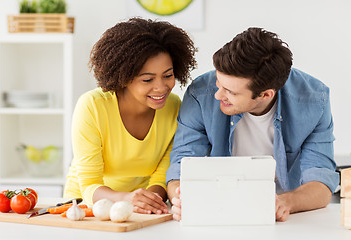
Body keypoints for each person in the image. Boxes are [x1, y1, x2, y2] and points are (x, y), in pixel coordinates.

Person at [166, 27, 339, 222]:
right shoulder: (200, 93)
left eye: (230, 92)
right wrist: (180, 199)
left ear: (266, 95)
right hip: (215, 209)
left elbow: (320, 183)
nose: (218, 95)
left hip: (283, 217)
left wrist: (283, 203)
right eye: (218, 82)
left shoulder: (314, 100)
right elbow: (181, 165)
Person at [63, 17, 197, 215]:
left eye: (168, 75)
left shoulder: (174, 106)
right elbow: (90, 184)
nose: (161, 87)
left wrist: (148, 202)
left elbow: (162, 174)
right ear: (124, 77)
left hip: (144, 205)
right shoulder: (92, 106)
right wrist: (127, 199)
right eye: (148, 79)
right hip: (86, 205)